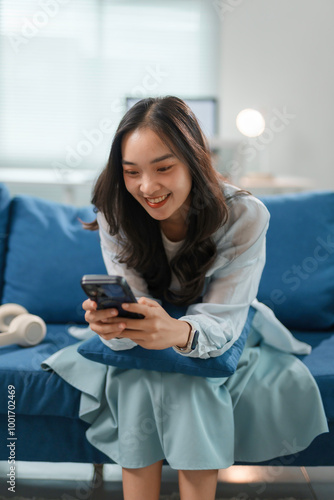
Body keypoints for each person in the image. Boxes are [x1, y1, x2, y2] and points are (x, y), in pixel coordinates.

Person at [45, 96, 328, 500]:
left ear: (194, 160)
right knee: (139, 376)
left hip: (218, 326)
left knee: (192, 381)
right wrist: (116, 326)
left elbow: (224, 316)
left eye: (164, 168)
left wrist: (177, 332)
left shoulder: (245, 215)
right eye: (131, 172)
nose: (147, 187)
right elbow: (132, 306)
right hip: (152, 328)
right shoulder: (116, 210)